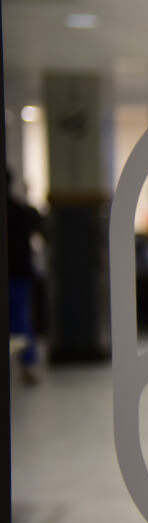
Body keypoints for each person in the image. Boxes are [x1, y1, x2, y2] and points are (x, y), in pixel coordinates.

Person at [7, 165, 45, 385]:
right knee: (21, 319)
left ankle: (29, 364)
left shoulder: (19, 211)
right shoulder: (20, 211)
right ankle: (28, 366)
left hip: (17, 274)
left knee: (20, 319)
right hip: (21, 273)